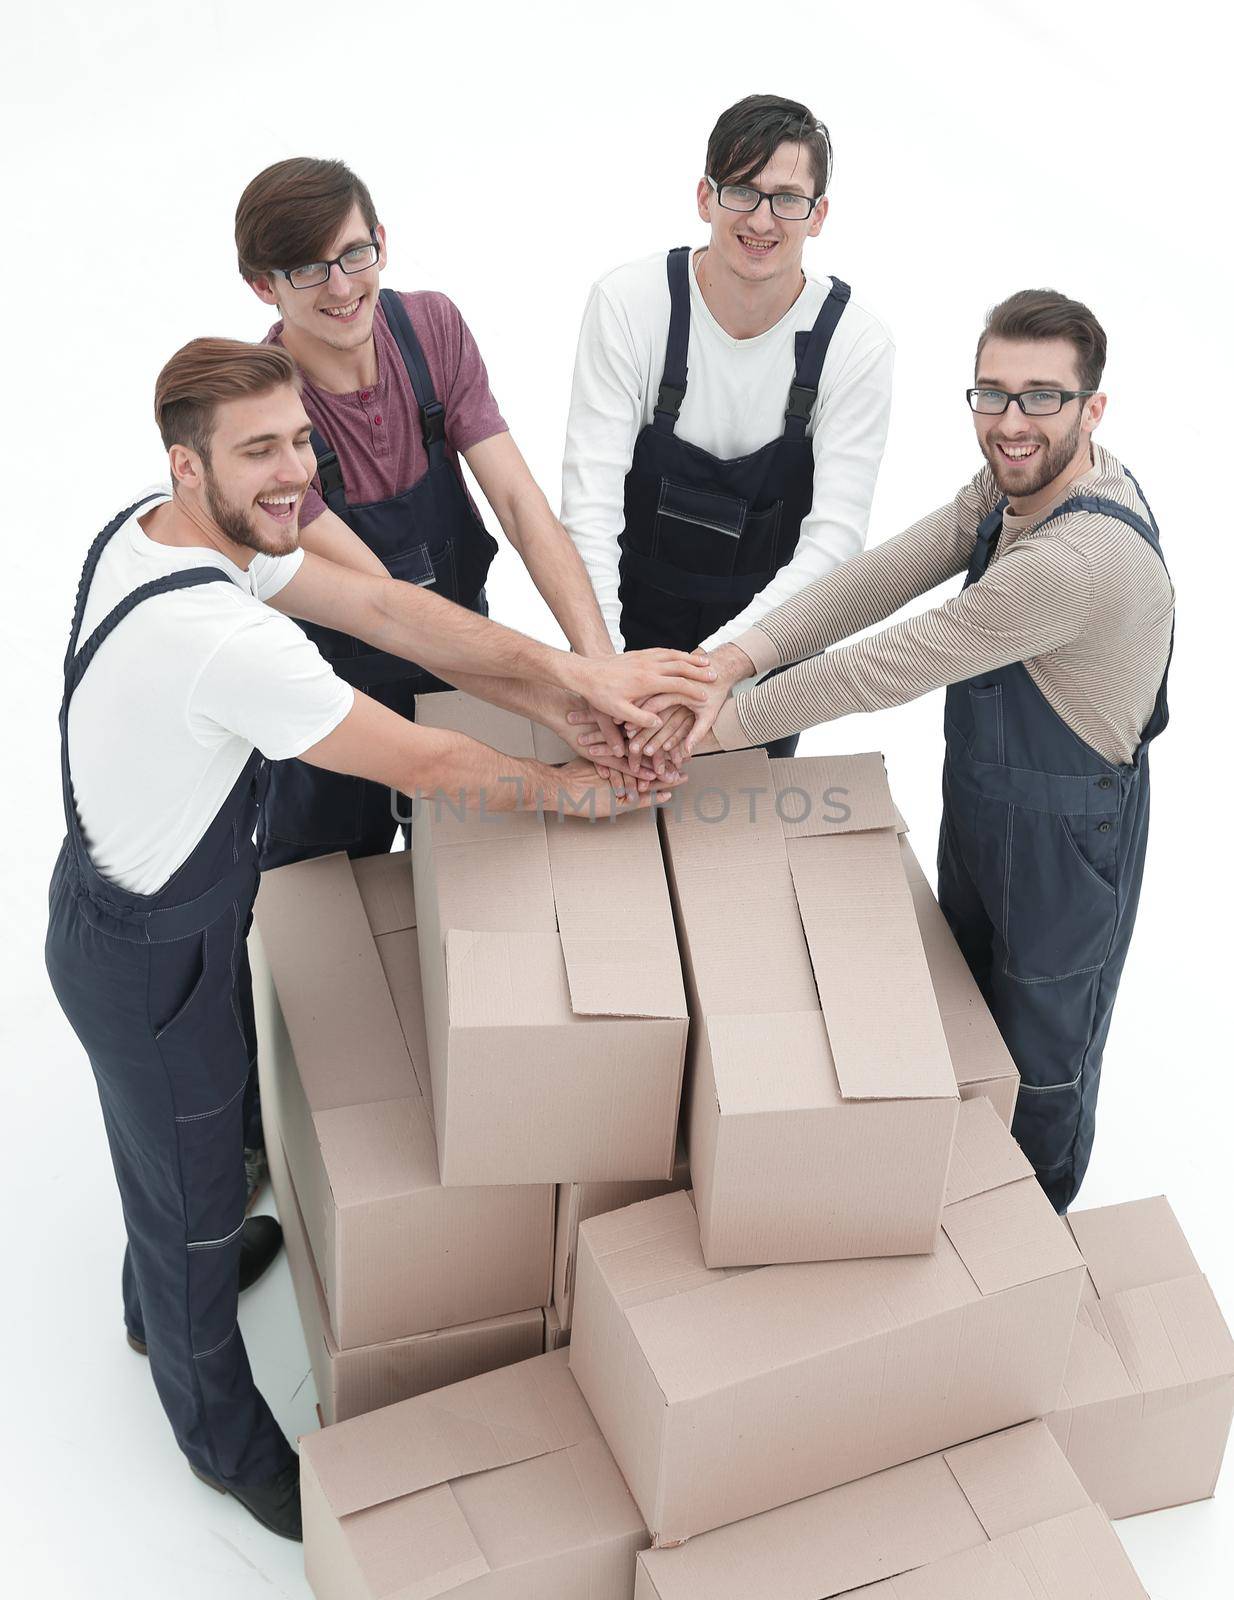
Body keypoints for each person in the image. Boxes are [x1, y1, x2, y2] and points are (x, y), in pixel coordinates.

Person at [44, 339, 705, 1540]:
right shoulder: (223, 638)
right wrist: (574, 792)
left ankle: (157, 1293)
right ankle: (220, 1434)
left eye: (300, 439)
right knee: (193, 1192)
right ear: (186, 466)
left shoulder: (167, 533)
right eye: (260, 451)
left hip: (141, 909)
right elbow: (427, 762)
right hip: (148, 954)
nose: (295, 471)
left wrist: (572, 686)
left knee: (177, 1147)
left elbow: (396, 611)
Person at [581, 289, 1175, 1213]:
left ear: (1093, 409)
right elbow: (886, 574)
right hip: (989, 808)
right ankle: (945, 1214)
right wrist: (732, 660)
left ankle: (1030, 1235)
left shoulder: (1078, 560)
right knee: (967, 1021)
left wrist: (715, 727)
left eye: (1041, 397)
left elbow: (889, 664)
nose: (1010, 422)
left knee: (1044, 1059)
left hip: (1068, 845)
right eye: (991, 393)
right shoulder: (1012, 488)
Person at [235, 156, 634, 867]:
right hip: (335, 701)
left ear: (381, 241)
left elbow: (519, 505)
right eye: (308, 269)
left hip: (462, 666)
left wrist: (602, 668)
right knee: (321, 903)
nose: (343, 285)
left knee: (463, 875)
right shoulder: (263, 419)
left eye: (354, 253)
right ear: (263, 285)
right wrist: (557, 697)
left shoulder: (431, 329)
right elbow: (390, 614)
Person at [561, 92, 895, 761]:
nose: (763, 219)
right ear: (705, 197)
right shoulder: (631, 304)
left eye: (788, 198)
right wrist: (605, 669)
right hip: (627, 638)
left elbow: (834, 544)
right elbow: (588, 507)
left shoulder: (855, 346)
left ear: (819, 214)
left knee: (737, 855)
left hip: (765, 658)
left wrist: (716, 675)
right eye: (742, 190)